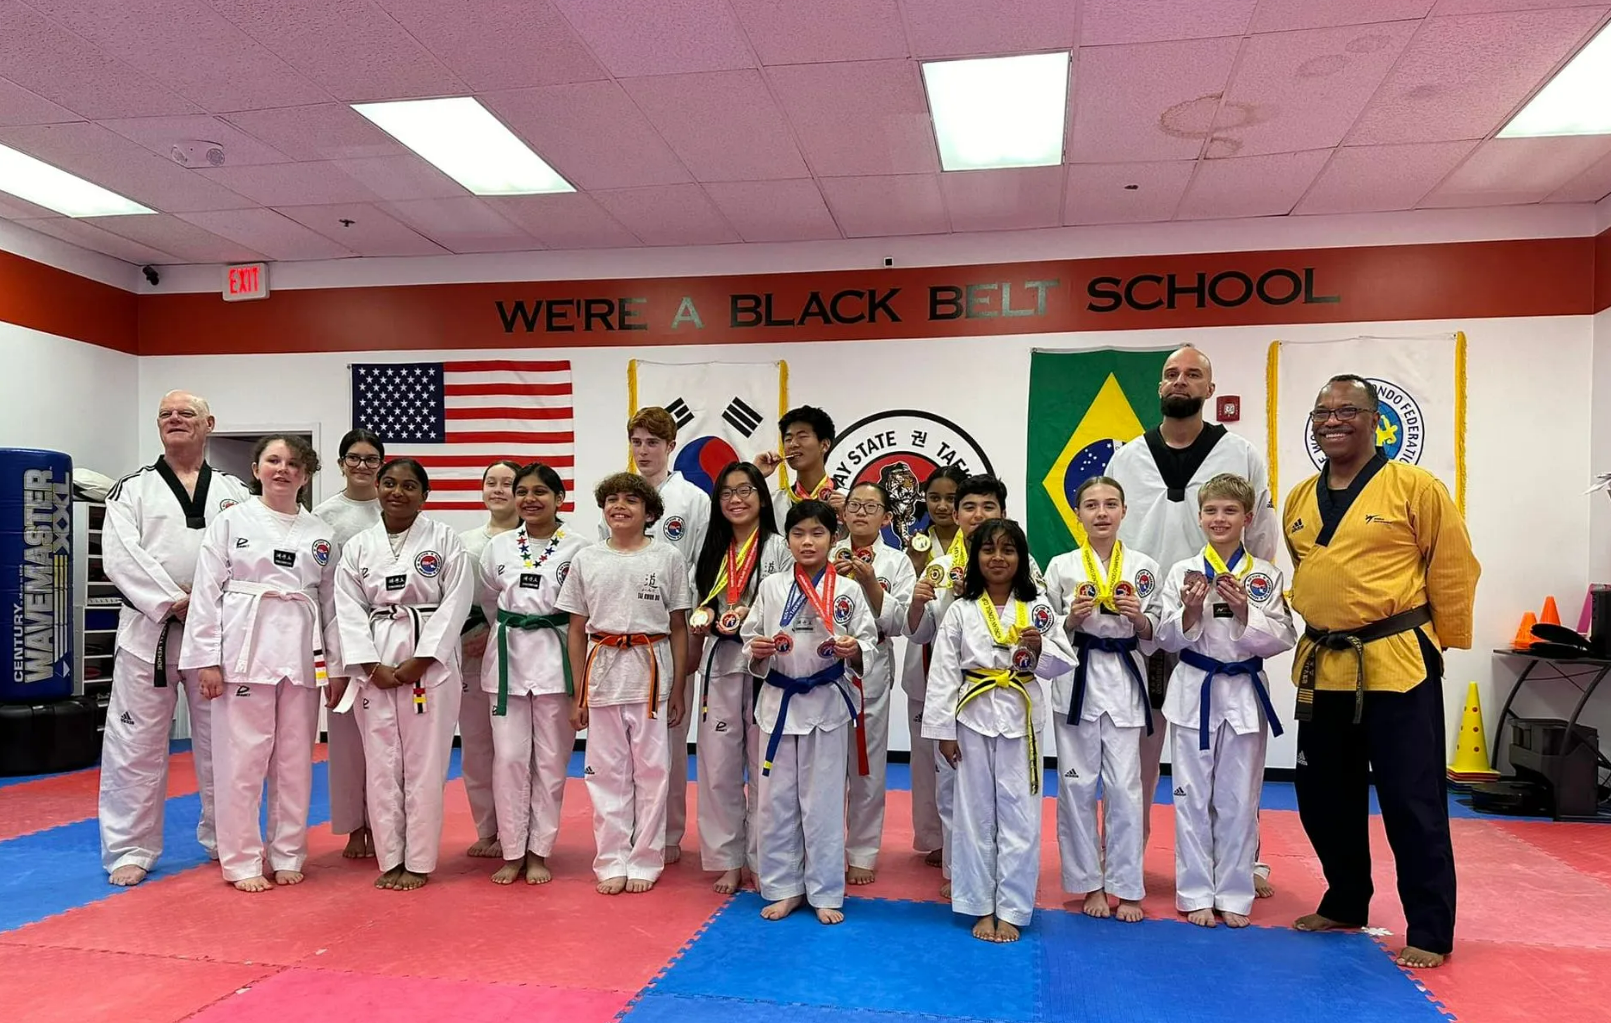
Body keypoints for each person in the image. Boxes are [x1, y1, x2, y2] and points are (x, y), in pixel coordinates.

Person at [1286, 375, 1479, 970]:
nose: (1332, 420)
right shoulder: (1299, 496)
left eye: (1347, 410)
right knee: (1323, 797)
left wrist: (1441, 643)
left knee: (1412, 800)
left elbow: (1453, 567)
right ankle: (1346, 900)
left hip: (1397, 664)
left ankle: (1429, 927)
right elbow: (1307, 569)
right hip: (1324, 666)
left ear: (1376, 421)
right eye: (1323, 411)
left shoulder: (1414, 487)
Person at [1105, 345, 1280, 896]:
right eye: (1171, 374)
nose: (1180, 381)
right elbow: (1108, 533)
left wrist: (1248, 603)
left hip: (1219, 627)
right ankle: (1126, 859)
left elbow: (1261, 540)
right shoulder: (1127, 457)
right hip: (1145, 619)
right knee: (1136, 754)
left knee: (1232, 764)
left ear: (1210, 388)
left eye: (1193, 374)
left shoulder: (1241, 452)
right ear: (1159, 387)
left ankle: (1239, 863)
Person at [98, 390, 252, 887]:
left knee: (223, 745)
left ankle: (226, 839)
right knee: (134, 744)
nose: (174, 420)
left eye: (186, 413)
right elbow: (120, 557)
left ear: (209, 423)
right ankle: (130, 847)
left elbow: (250, 555)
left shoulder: (236, 491)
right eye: (166, 414)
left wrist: (209, 603)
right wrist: (174, 599)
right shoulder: (132, 490)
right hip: (150, 633)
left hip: (217, 637)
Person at [181, 435, 341, 892]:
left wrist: (337, 666)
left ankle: (288, 852)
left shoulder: (321, 533)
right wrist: (207, 660)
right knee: (242, 762)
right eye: (273, 461)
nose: (282, 470)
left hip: (303, 654)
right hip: (243, 652)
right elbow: (208, 592)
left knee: (295, 761)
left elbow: (330, 604)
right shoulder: (232, 521)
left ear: (306, 475)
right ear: (256, 468)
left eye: (293, 464)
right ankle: (242, 859)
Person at [1157, 473, 1296, 928]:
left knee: (1239, 797)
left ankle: (1235, 893)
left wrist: (1245, 612)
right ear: (1199, 516)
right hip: (1194, 687)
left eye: (1230, 511)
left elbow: (1283, 637)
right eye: (1211, 510)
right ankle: (1196, 891)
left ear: (1247, 518)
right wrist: (1190, 612)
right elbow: (1161, 635)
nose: (1220, 519)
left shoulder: (1265, 575)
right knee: (1191, 796)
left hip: (1243, 691)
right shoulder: (1182, 572)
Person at [924, 518, 1074, 943]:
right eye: (988, 550)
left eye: (1008, 550)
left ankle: (1011, 908)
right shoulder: (961, 609)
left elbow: (1065, 664)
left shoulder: (1038, 606)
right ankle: (978, 904)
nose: (998, 558)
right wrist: (942, 730)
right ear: (975, 557)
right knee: (973, 816)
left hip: (1021, 717)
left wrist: (1041, 649)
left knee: (1020, 818)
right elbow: (943, 674)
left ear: (1022, 559)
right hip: (971, 716)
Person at [333, 459, 473, 891]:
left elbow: (456, 603)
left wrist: (422, 659)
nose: (398, 492)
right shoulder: (358, 545)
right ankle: (390, 857)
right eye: (389, 483)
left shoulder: (446, 540)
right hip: (374, 661)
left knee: (425, 764)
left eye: (409, 486)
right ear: (377, 487)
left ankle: (419, 860)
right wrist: (370, 664)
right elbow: (347, 606)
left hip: (427, 662)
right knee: (381, 764)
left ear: (424, 494)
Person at [741, 499, 877, 924]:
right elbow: (751, 637)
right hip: (779, 701)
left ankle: (825, 890)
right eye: (798, 534)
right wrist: (758, 652)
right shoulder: (772, 586)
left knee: (822, 801)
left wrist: (855, 650)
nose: (807, 541)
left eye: (817, 533)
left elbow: (868, 640)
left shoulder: (849, 590)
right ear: (787, 540)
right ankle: (782, 887)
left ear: (833, 538)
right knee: (776, 801)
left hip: (826, 702)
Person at [905, 473, 1039, 898]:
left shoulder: (1021, 561)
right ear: (956, 513)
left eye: (988, 507)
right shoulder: (939, 567)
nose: (978, 515)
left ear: (1002, 512)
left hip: (1008, 691)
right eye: (970, 507)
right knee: (953, 787)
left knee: (1008, 794)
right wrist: (920, 599)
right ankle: (957, 870)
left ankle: (1004, 873)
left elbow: (1042, 620)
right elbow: (919, 632)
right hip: (955, 690)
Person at [559, 472, 691, 895]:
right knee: (605, 774)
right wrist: (579, 690)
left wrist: (680, 688)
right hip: (602, 672)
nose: (619, 506)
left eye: (630, 501)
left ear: (649, 512)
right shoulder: (587, 558)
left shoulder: (667, 558)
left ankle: (646, 858)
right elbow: (576, 630)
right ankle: (611, 857)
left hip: (651, 671)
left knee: (653, 773)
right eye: (611, 499)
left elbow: (678, 626)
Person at [1043, 477, 1161, 923]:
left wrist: (1142, 621)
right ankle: (1089, 883)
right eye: (1091, 505)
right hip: (1077, 681)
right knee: (1075, 785)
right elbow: (1042, 626)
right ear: (1078, 513)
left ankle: (1127, 885)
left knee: (1125, 788)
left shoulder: (1145, 566)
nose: (1101, 512)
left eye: (1111, 503)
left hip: (1125, 682)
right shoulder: (1061, 567)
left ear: (1124, 511)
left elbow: (1161, 630)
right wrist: (1068, 620)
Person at [478, 462, 589, 886]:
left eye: (540, 491)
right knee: (507, 760)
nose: (529, 499)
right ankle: (511, 851)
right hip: (507, 660)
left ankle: (539, 851)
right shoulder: (500, 546)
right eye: (522, 491)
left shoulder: (579, 547)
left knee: (550, 762)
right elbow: (491, 600)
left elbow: (583, 611)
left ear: (559, 499)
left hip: (555, 657)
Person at [607, 408, 709, 864]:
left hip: (674, 623)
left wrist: (697, 633)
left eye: (653, 442)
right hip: (623, 628)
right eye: (637, 441)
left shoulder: (693, 499)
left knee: (667, 737)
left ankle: (666, 836)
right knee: (620, 747)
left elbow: (704, 566)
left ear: (671, 446)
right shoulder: (619, 495)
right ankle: (625, 831)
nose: (644, 450)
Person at [690, 461, 793, 894]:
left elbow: (790, 605)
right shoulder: (710, 549)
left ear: (762, 496)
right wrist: (707, 618)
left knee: (764, 766)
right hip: (719, 663)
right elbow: (702, 601)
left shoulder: (778, 547)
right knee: (717, 766)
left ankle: (762, 857)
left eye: (746, 489)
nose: (736, 499)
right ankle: (728, 860)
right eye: (727, 492)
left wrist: (753, 617)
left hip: (764, 665)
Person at [833, 481, 916, 885]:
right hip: (825, 665)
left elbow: (900, 624)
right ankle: (826, 847)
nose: (861, 512)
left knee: (867, 761)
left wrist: (869, 583)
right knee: (827, 764)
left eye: (871, 506)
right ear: (844, 512)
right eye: (855, 505)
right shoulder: (828, 551)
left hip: (872, 662)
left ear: (887, 517)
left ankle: (862, 850)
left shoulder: (897, 562)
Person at [313, 427, 386, 861]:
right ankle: (354, 827)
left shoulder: (394, 508)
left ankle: (384, 825)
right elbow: (320, 588)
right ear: (341, 463)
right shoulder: (323, 516)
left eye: (371, 458)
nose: (362, 465)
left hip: (389, 635)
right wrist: (329, 658)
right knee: (346, 743)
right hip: (340, 635)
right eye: (354, 458)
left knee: (387, 742)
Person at [898, 464, 969, 868]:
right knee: (924, 757)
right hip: (923, 662)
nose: (942, 506)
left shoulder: (978, 545)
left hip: (967, 668)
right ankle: (933, 837)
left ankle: (964, 836)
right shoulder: (916, 545)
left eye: (950, 498)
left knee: (960, 758)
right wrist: (915, 564)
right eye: (934, 498)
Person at [456, 460, 521, 859]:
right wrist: (468, 636)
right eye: (491, 482)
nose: (498, 489)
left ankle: (517, 830)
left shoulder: (538, 541)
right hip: (470, 652)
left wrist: (496, 633)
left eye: (507, 483)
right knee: (478, 746)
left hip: (519, 654)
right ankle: (487, 828)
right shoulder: (463, 541)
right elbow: (452, 597)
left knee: (514, 750)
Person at [754, 405, 846, 530]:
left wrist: (848, 518)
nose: (793, 444)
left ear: (824, 445)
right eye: (788, 439)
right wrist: (754, 475)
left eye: (802, 437)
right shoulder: (775, 502)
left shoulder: (848, 500)